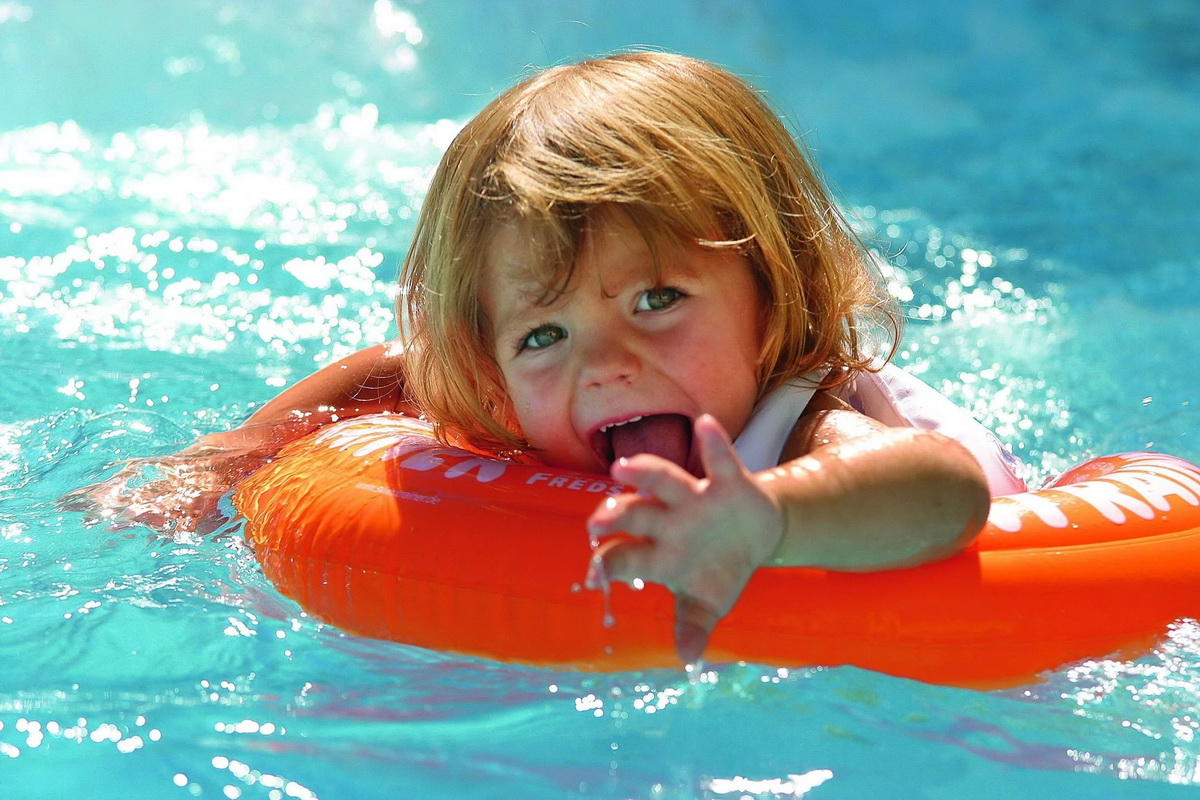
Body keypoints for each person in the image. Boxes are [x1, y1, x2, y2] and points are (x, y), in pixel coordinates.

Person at [68, 52, 1024, 664]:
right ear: (489, 369)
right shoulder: (496, 389)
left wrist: (761, 520)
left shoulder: (800, 413)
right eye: (543, 334)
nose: (604, 363)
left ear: (771, 298)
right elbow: (395, 372)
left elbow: (939, 488)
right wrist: (237, 451)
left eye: (658, 299)